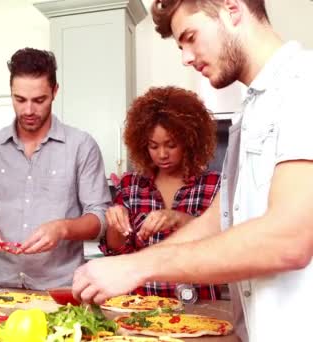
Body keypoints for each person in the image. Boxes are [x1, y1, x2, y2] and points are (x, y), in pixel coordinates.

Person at [72, 1, 313, 341]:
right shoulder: (255, 106)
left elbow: (289, 239)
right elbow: (218, 220)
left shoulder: (303, 84)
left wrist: (137, 265)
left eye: (190, 37)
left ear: (232, 9)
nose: (185, 57)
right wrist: (128, 266)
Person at [0, 48, 111, 290]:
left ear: (54, 91)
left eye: (39, 100)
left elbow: (100, 218)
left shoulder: (81, 146)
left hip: (60, 289)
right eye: (19, 99)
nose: (28, 110)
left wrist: (62, 228)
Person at [102, 86, 221, 300]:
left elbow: (224, 247)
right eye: (153, 146)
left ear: (189, 141)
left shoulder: (213, 185)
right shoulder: (131, 186)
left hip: (199, 307)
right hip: (141, 307)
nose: (162, 154)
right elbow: (117, 252)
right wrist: (115, 222)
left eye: (171, 145)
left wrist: (179, 219)